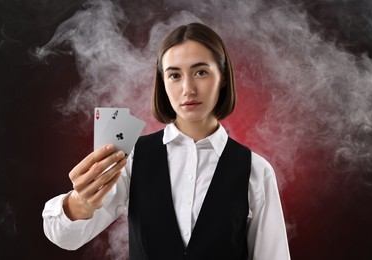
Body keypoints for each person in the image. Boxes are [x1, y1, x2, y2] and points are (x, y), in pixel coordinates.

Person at [42, 22, 291, 260]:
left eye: (201, 72)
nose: (188, 89)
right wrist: (80, 204)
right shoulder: (130, 158)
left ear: (223, 77)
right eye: (174, 75)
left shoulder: (256, 171)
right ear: (162, 82)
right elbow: (66, 238)